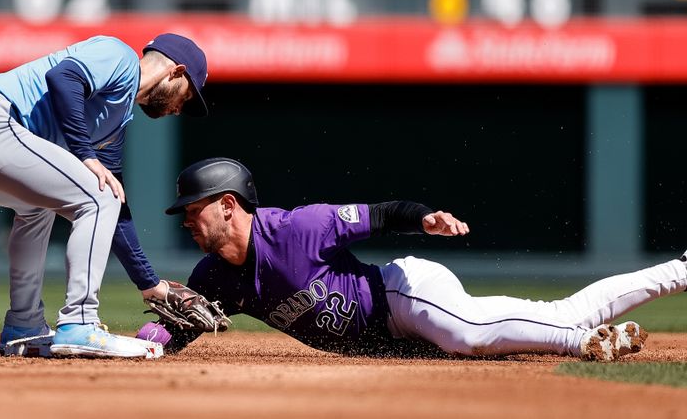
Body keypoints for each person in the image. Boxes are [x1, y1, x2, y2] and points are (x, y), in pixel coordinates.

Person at [138, 157, 687, 361]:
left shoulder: (298, 228)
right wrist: (136, 345)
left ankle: (583, 344)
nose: (187, 220)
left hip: (402, 295)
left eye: (194, 209)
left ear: (228, 206)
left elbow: (381, 212)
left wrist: (425, 217)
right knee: (560, 310)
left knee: (469, 335)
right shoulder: (212, 278)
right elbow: (178, 328)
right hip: (395, 340)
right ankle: (676, 272)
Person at [0, 33, 209, 358]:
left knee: (46, 207)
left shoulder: (115, 125)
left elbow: (115, 207)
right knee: (95, 197)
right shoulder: (119, 56)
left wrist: (150, 284)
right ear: (176, 71)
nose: (180, 109)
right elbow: (63, 77)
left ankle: (24, 327)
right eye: (188, 97)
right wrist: (85, 154)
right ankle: (80, 322)